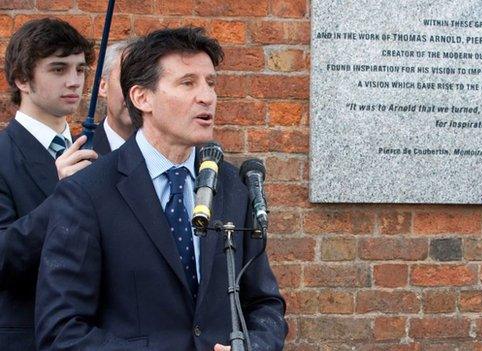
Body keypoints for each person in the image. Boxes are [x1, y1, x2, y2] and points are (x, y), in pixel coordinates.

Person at [35, 26, 287, 351]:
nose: (206, 96)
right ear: (142, 97)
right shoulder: (87, 192)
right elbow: (61, 330)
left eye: (211, 83)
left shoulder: (231, 185)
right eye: (187, 83)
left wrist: (252, 347)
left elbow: (265, 304)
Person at [0, 17, 97, 351]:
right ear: (21, 79)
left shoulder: (98, 151)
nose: (74, 81)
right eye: (58, 69)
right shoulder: (3, 155)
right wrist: (63, 196)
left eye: (80, 69)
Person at [94, 39, 136, 154]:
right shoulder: (76, 154)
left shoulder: (173, 157)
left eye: (145, 82)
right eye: (126, 80)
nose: (135, 94)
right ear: (103, 86)